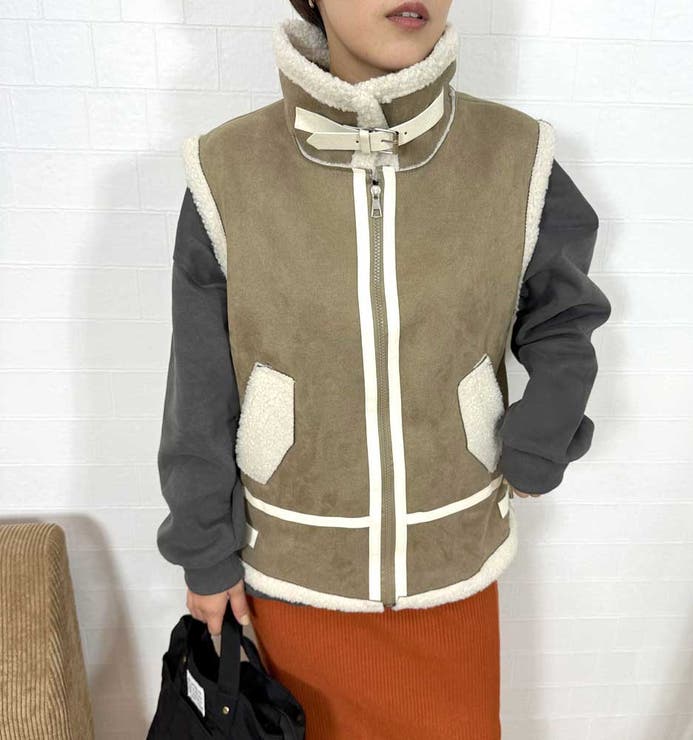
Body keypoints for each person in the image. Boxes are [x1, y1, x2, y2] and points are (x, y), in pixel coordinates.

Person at [155, 1, 612, 737]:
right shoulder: (227, 170)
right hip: (295, 580)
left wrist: (545, 428)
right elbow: (200, 387)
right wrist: (205, 552)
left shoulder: (515, 156)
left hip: (453, 574)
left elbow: (564, 314)